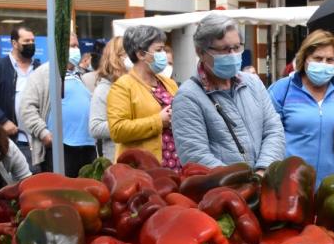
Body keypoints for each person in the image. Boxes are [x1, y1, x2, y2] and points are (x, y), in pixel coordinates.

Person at [171, 15, 285, 170]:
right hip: (222, 191)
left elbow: (274, 130)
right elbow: (195, 155)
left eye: (237, 47)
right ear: (201, 52)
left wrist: (263, 170)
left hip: (264, 184)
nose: (233, 55)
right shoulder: (188, 97)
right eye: (224, 49)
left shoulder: (253, 83)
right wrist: (245, 182)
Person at [268, 30, 334, 185]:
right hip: (291, 186)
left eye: (329, 60)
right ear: (305, 59)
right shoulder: (283, 89)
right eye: (317, 58)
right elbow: (268, 135)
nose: (323, 64)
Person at [20, 33, 97, 177]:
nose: (76, 50)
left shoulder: (81, 74)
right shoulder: (44, 73)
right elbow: (27, 107)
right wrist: (43, 134)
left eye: (76, 46)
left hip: (87, 146)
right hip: (60, 147)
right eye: (71, 46)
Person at [108, 26, 180, 169]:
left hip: (175, 163)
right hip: (142, 168)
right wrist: (158, 121)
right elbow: (117, 130)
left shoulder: (169, 83)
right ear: (141, 54)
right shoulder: (123, 86)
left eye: (164, 50)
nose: (164, 55)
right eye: (159, 50)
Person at [0, 26, 39, 166]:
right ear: (14, 43)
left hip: (38, 141)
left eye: (33, 41)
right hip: (13, 139)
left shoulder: (39, 69)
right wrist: (3, 120)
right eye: (26, 41)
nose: (31, 44)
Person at [85, 37, 127, 161]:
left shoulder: (133, 86)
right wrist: (131, 125)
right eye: (127, 54)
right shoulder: (104, 89)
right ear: (116, 58)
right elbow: (95, 128)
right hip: (117, 162)